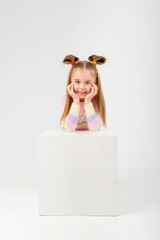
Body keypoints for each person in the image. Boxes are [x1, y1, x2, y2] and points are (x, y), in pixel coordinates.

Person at [60, 54, 107, 132]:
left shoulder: (95, 101)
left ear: (95, 84)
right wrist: (76, 101)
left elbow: (94, 128)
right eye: (77, 82)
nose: (82, 87)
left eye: (87, 82)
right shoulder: (64, 100)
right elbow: (69, 128)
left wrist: (88, 101)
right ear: (70, 82)